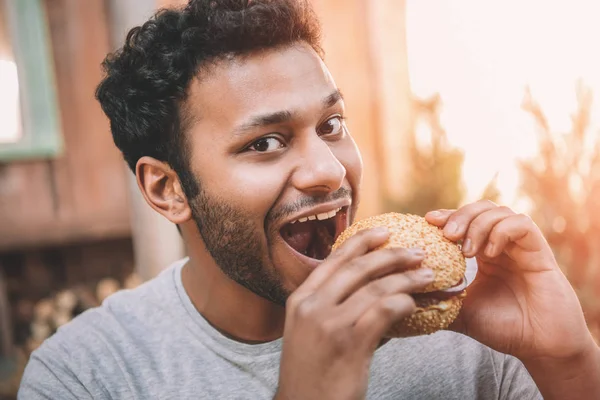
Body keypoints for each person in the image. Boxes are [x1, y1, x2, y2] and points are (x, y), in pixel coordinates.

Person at [19, 1, 600, 399]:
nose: (327, 169)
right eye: (265, 143)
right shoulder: (85, 376)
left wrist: (567, 360)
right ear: (167, 189)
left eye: (331, 124)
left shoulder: (466, 316)